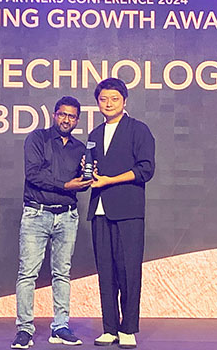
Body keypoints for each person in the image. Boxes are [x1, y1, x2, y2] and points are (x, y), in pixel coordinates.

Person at [11, 96, 93, 349]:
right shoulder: (37, 139)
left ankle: (60, 326)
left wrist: (88, 175)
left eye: (72, 116)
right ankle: (25, 329)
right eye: (62, 114)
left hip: (67, 216)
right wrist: (66, 185)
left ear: (77, 120)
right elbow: (33, 175)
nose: (66, 119)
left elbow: (82, 183)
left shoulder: (80, 149)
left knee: (62, 274)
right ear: (55, 115)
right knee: (28, 274)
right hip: (37, 213)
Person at [87, 78, 155, 349]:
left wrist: (109, 180)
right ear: (97, 103)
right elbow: (92, 170)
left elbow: (146, 169)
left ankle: (128, 329)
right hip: (99, 211)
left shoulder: (138, 130)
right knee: (105, 272)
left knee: (128, 271)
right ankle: (109, 328)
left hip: (128, 211)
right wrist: (89, 174)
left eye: (114, 98)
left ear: (124, 101)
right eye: (103, 99)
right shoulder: (94, 135)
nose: (109, 103)